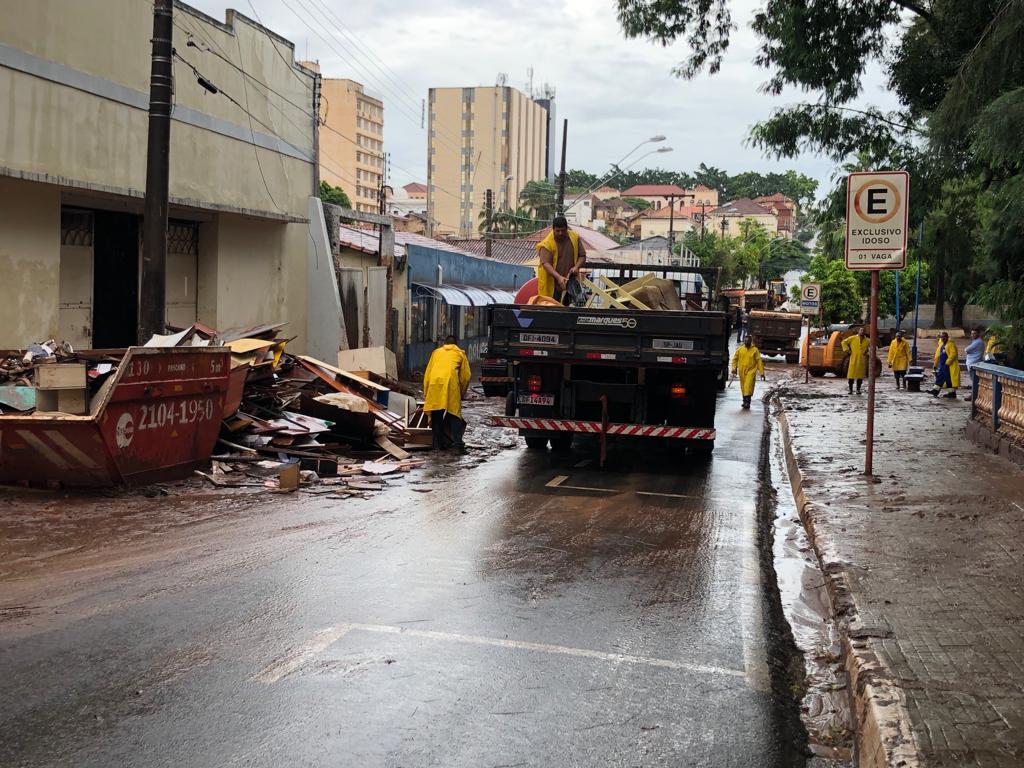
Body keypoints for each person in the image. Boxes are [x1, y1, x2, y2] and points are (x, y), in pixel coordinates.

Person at [423, 335, 472, 452]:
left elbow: (428, 374)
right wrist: (461, 392)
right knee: (454, 415)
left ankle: (437, 445)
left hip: (435, 384)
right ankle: (458, 446)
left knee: (436, 416)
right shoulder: (460, 354)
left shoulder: (436, 352)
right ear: (455, 344)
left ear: (445, 344)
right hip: (450, 385)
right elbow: (466, 376)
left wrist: (426, 392)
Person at [535, 215, 586, 303]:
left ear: (567, 229)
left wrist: (576, 267)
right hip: (552, 285)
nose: (560, 233)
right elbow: (546, 264)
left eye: (563, 230)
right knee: (551, 309)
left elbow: (582, 256)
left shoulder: (575, 237)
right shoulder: (547, 244)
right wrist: (558, 277)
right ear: (553, 229)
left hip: (570, 282)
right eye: (557, 231)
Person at [730, 336, 765, 409]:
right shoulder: (740, 349)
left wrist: (762, 373)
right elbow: (734, 360)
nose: (746, 343)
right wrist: (734, 368)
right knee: (743, 386)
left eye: (748, 341)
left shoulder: (755, 350)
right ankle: (744, 401)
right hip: (742, 371)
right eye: (745, 341)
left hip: (751, 370)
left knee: (748, 386)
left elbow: (759, 361)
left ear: (750, 342)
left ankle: (747, 402)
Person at [930, 331, 960, 398]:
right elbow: (937, 356)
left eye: (944, 337)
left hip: (948, 365)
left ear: (947, 337)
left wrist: (947, 363)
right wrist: (935, 364)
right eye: (941, 337)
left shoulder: (950, 345)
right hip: (942, 365)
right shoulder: (941, 345)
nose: (943, 338)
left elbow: (953, 354)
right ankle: (935, 391)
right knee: (940, 378)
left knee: (948, 379)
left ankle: (951, 393)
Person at [841, 326, 870, 395]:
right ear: (858, 331)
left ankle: (858, 390)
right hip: (853, 359)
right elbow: (843, 342)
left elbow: (871, 347)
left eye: (863, 330)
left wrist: (866, 351)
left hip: (861, 360)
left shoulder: (868, 340)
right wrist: (848, 350)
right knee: (851, 376)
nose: (862, 331)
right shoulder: (853, 338)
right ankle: (850, 390)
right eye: (861, 330)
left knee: (860, 376)